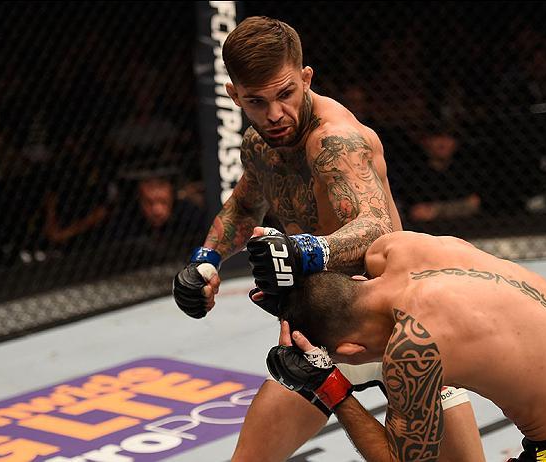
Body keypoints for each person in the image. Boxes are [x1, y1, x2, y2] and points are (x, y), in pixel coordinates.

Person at [171, 16, 484, 462]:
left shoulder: (336, 141)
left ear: (305, 78)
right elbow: (245, 205)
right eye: (257, 102)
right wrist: (205, 262)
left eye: (285, 94)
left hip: (399, 326)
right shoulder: (260, 144)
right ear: (234, 96)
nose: (275, 114)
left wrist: (305, 250)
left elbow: (374, 226)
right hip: (322, 331)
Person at [266, 231, 546, 461]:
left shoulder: (411, 346)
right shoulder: (398, 249)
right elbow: (367, 231)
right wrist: (305, 257)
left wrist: (329, 386)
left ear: (350, 350)